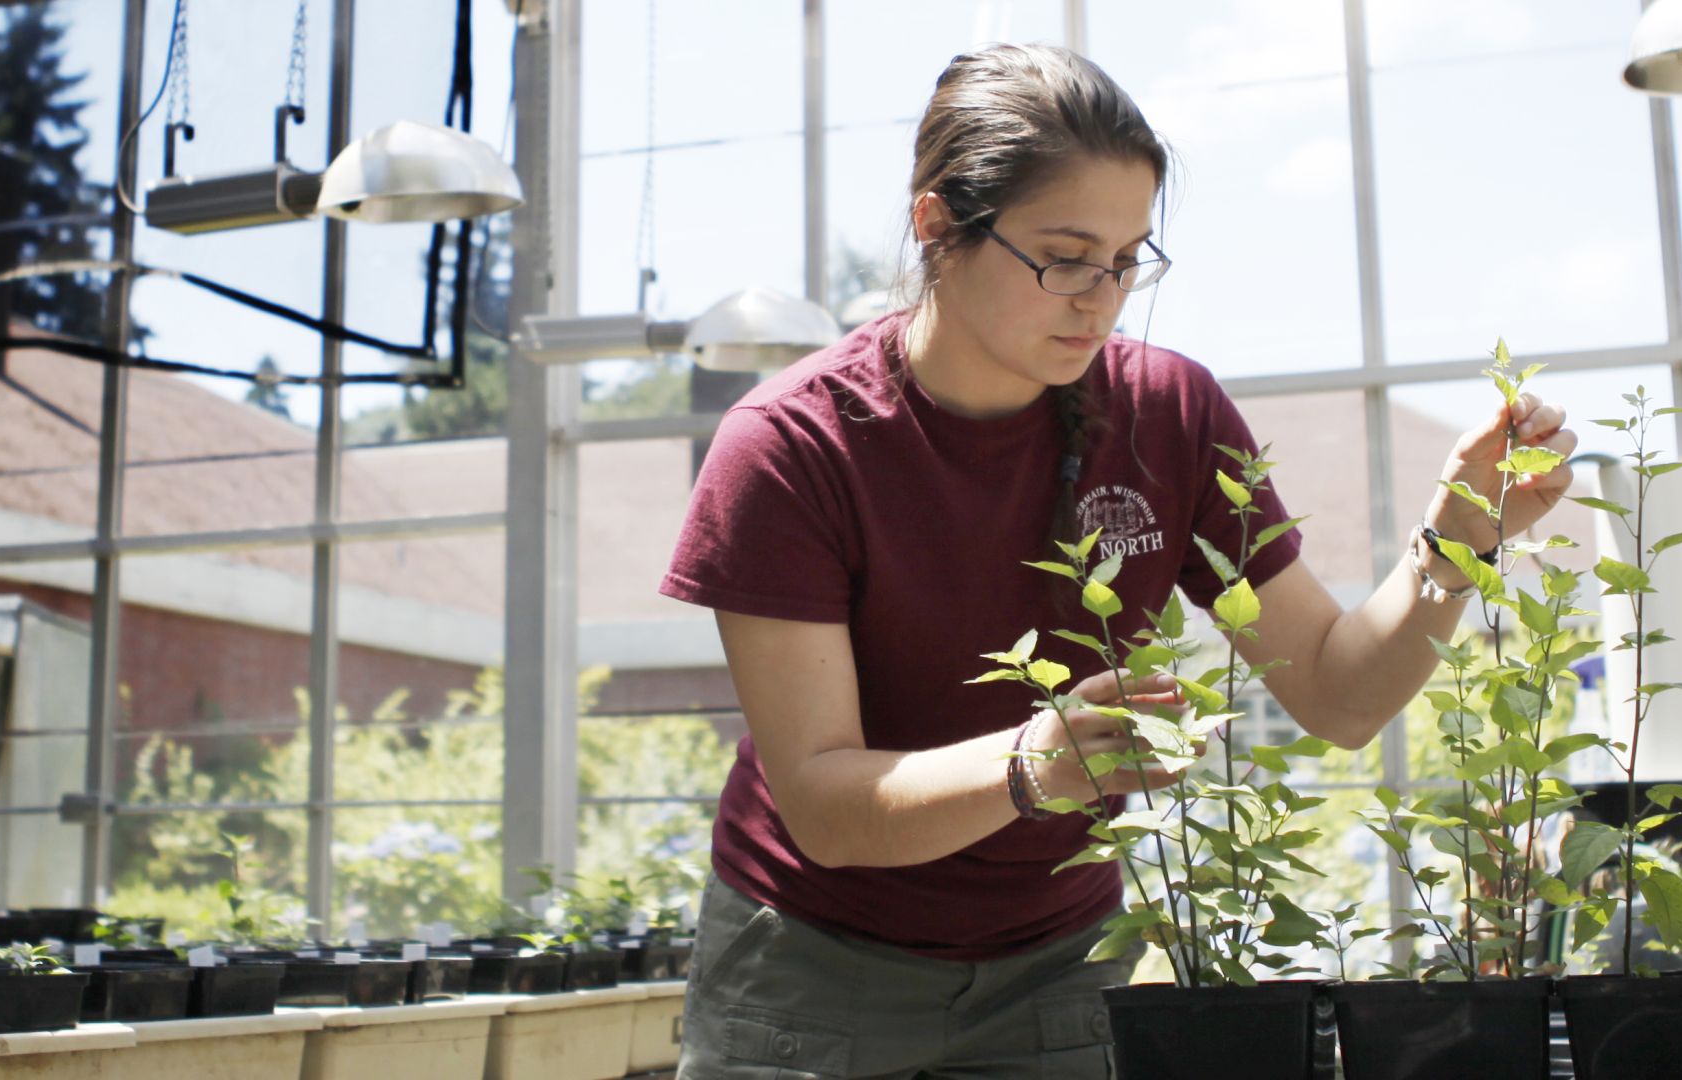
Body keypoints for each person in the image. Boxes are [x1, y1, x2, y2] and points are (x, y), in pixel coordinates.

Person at [658, 42, 1576, 1079]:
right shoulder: (793, 445)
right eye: (1063, 255)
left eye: (1130, 258)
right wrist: (1030, 767)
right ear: (936, 225)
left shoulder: (1166, 416)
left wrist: (1454, 547)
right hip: (807, 971)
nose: (1102, 298)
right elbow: (825, 807)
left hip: (1057, 968)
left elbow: (1334, 693)